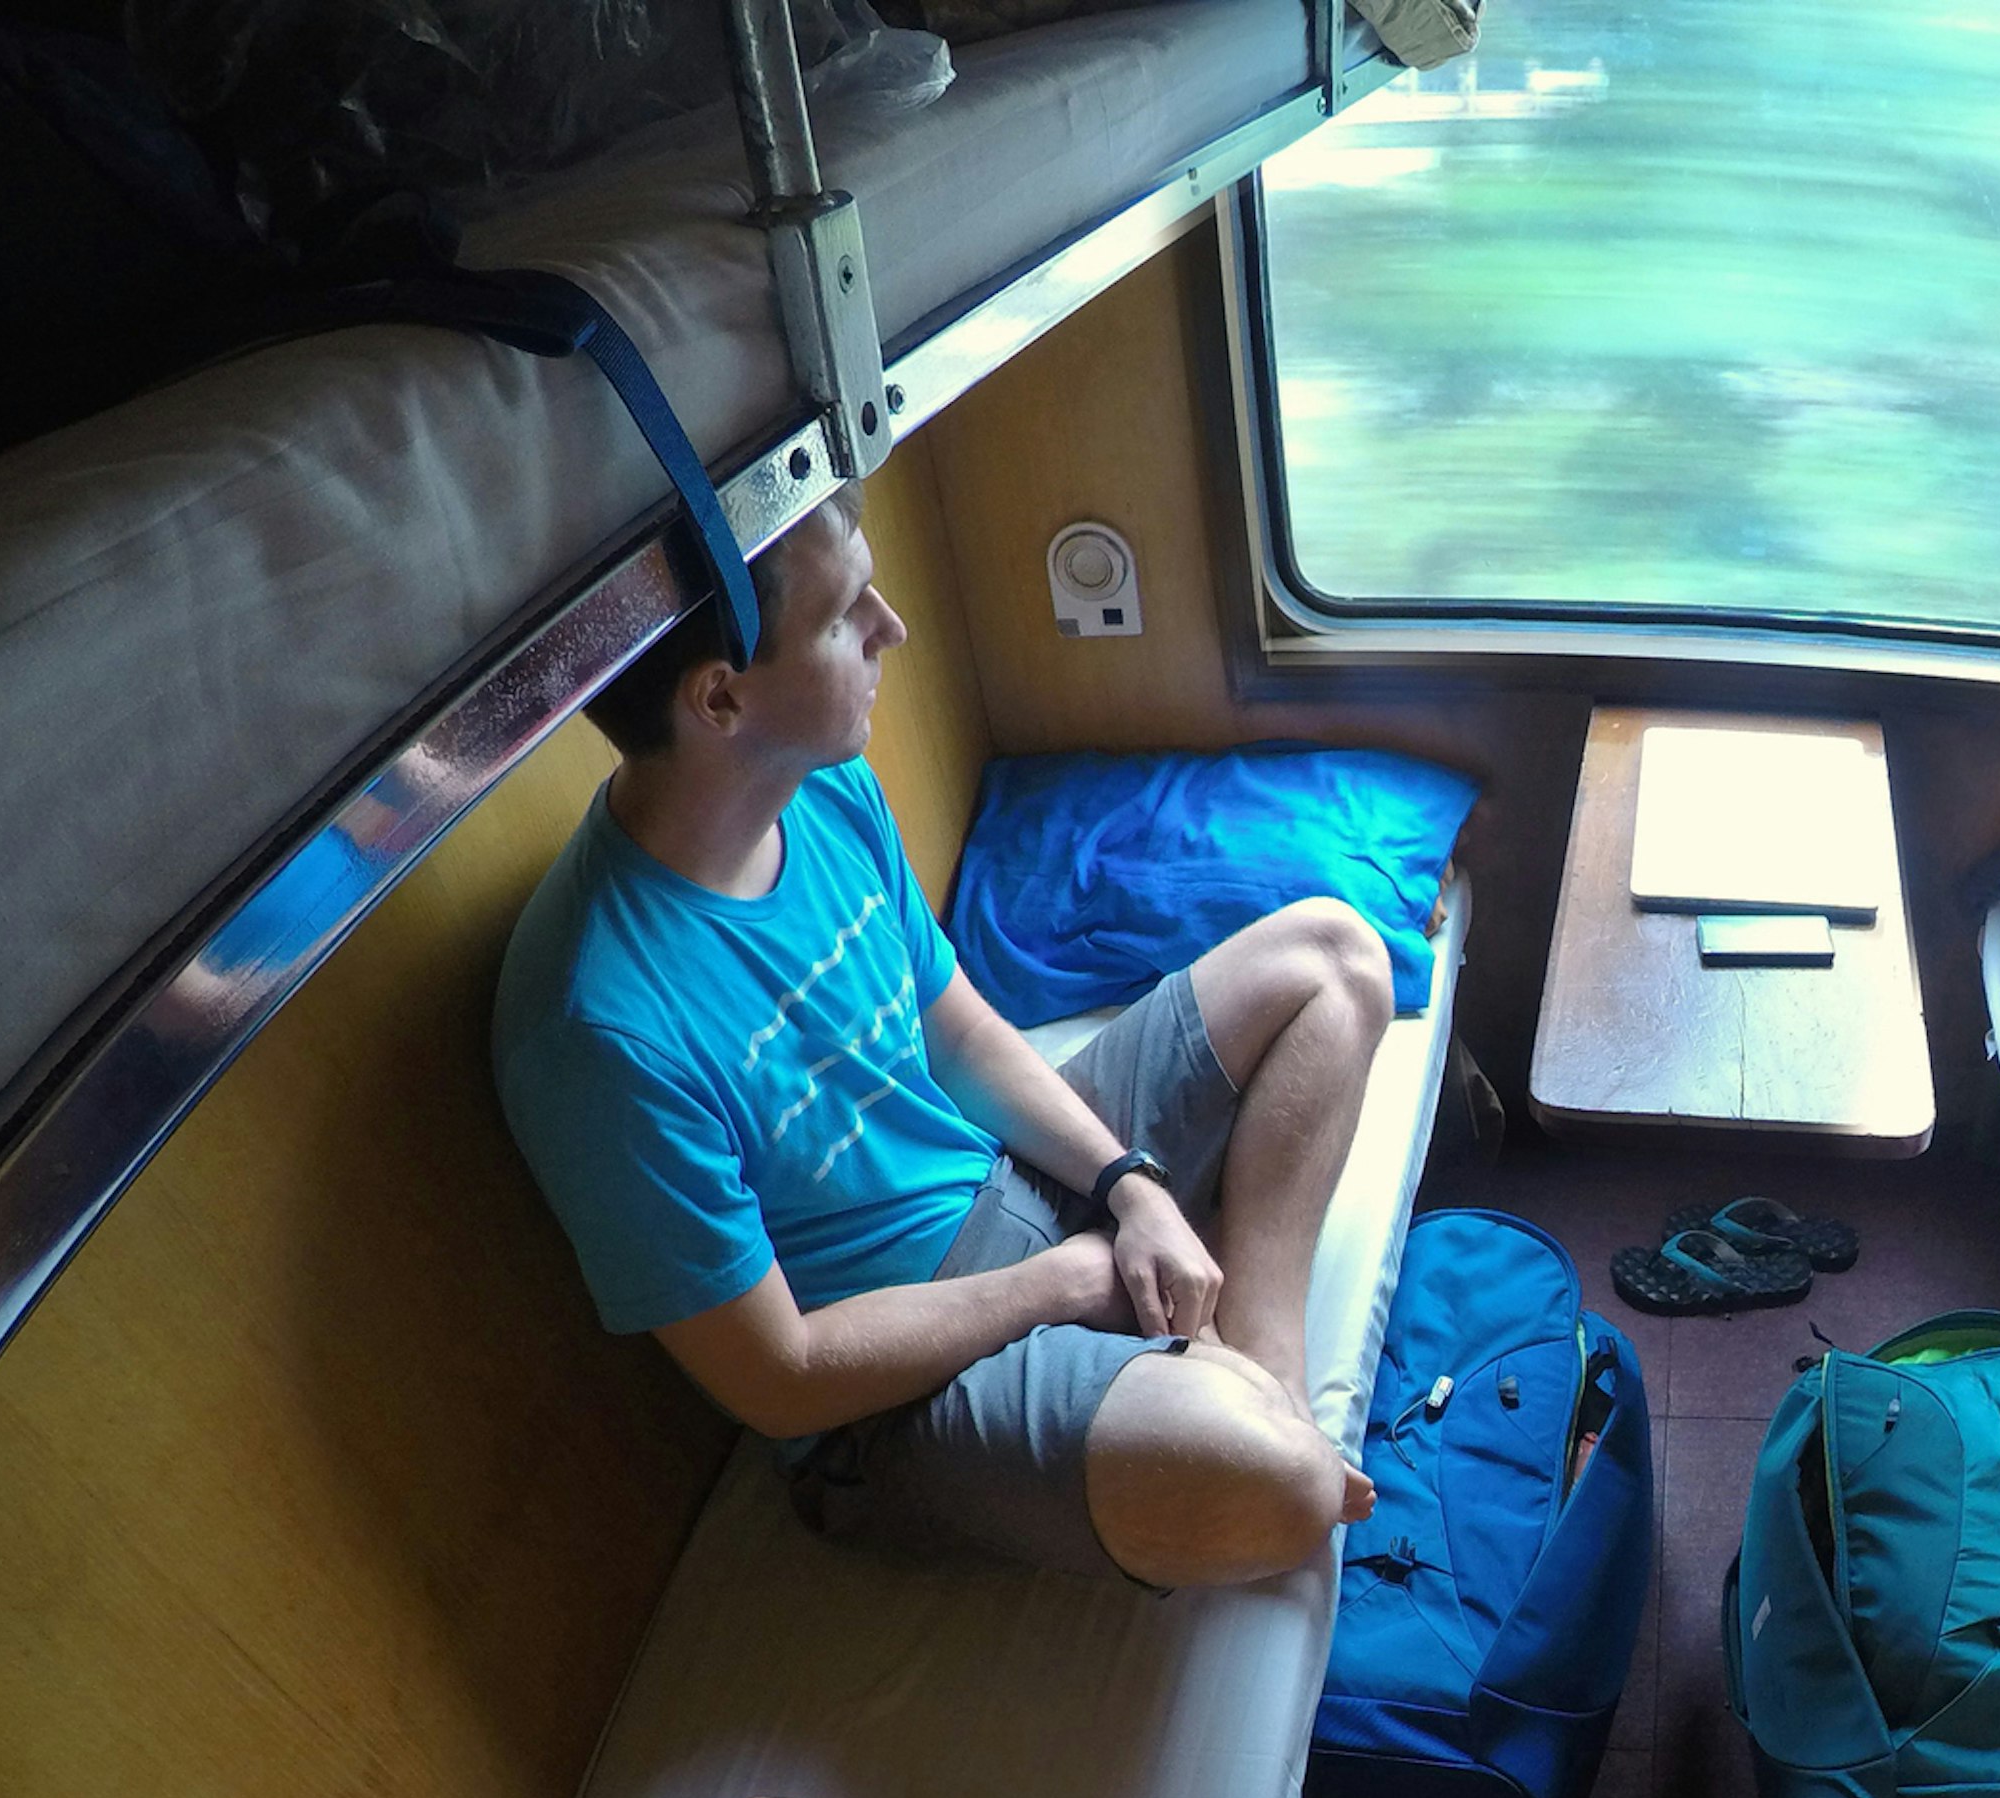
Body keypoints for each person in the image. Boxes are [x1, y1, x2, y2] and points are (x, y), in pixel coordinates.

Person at [494, 489, 1392, 1589]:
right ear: (722, 698)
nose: (891, 626)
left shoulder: (826, 793)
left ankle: (1265, 1370)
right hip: (895, 1388)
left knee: (1335, 958)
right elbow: (784, 1377)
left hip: (1012, 1187)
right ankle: (1250, 1423)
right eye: (844, 616)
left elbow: (959, 1033)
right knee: (1282, 1493)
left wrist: (1131, 1189)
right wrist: (1062, 1285)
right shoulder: (599, 1029)